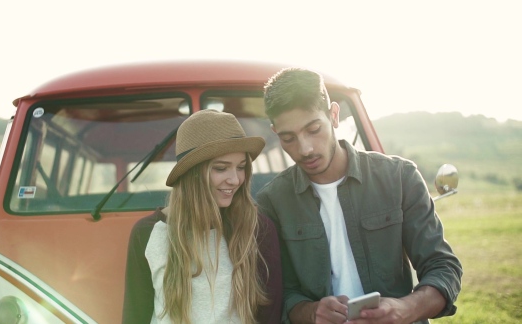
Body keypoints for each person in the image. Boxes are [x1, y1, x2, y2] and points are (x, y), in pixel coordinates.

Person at [255, 68, 462, 324]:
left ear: (333, 115)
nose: (305, 149)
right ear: (276, 133)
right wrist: (310, 312)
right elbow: (279, 292)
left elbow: (443, 267)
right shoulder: (271, 202)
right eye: (289, 138)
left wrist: (405, 309)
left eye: (313, 129)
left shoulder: (399, 177)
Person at [123, 109, 283, 324]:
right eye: (221, 168)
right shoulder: (147, 232)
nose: (235, 180)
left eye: (241, 167)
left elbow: (270, 315)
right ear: (192, 173)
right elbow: (135, 316)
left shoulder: (257, 229)